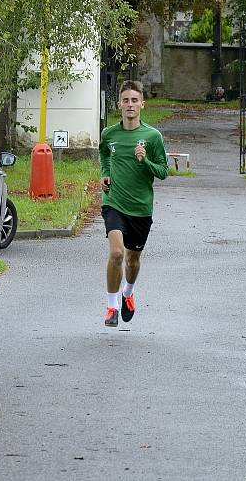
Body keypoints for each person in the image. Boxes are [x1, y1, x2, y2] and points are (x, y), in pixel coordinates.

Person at [99, 80, 169, 326]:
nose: (130, 105)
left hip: (140, 208)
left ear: (142, 104)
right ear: (119, 104)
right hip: (114, 201)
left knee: (132, 259)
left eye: (134, 100)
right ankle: (111, 306)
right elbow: (104, 154)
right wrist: (105, 174)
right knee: (117, 253)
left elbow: (163, 172)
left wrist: (145, 162)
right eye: (126, 100)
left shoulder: (152, 137)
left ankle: (128, 293)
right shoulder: (109, 134)